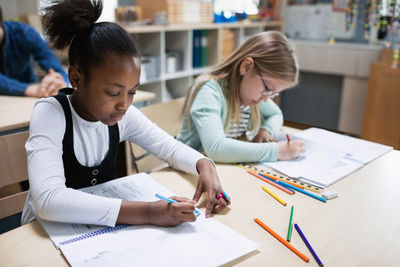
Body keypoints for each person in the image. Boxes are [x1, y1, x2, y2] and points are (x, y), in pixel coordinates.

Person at [22, 0, 229, 228]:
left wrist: (204, 165)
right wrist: (149, 212)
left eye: (132, 91)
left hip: (95, 230)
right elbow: (49, 200)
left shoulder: (121, 115)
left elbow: (169, 148)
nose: (124, 104)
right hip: (47, 232)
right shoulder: (51, 113)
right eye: (113, 92)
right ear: (76, 79)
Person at [178, 31, 305, 163]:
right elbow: (216, 148)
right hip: (186, 169)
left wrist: (265, 131)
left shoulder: (250, 95)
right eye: (267, 89)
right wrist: (276, 151)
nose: (266, 99)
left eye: (272, 93)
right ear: (247, 66)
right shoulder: (209, 90)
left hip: (221, 168)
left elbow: (275, 114)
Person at [0, 6, 67, 97]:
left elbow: (54, 65)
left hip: (30, 93)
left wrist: (58, 80)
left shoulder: (24, 32)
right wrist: (31, 90)